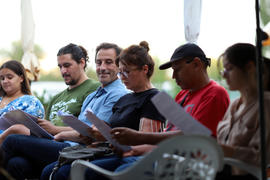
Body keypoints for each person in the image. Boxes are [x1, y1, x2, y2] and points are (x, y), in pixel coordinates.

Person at [65, 43, 230, 180]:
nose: (173, 76)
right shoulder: (183, 95)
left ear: (196, 64)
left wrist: (138, 138)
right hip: (165, 159)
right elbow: (170, 136)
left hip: (187, 167)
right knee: (78, 170)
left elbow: (193, 138)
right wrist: (134, 149)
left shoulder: (214, 93)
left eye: (177, 69)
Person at [40, 41, 166, 180]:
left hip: (133, 156)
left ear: (145, 69)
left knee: (64, 173)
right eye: (121, 71)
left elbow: (149, 140)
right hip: (109, 151)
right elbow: (112, 131)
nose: (122, 76)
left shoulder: (155, 97)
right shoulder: (125, 99)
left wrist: (119, 143)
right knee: (50, 171)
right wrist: (98, 134)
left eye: (127, 72)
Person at [1, 42, 129, 180]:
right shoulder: (94, 95)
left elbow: (94, 133)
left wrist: (58, 132)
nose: (102, 67)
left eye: (108, 62)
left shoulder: (114, 93)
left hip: (77, 148)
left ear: (119, 65)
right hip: (66, 144)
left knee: (14, 139)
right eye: (98, 63)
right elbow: (81, 127)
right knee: (18, 164)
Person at [215, 43, 270, 179]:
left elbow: (264, 157)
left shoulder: (265, 104)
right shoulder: (234, 105)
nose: (224, 75)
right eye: (224, 70)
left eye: (229, 68)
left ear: (249, 67)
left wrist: (228, 151)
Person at [0, 60, 45, 144]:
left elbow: (32, 134)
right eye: (2, 78)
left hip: (14, 147)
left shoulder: (31, 102)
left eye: (9, 77)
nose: (5, 81)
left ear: (21, 78)